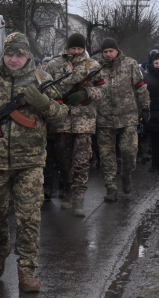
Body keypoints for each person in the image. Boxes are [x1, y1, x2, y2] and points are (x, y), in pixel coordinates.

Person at [0, 32, 68, 293]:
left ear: (27, 55)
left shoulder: (43, 79)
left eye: (19, 54)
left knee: (29, 218)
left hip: (30, 162)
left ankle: (26, 269)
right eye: (10, 54)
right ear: (3, 54)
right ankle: (0, 250)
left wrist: (44, 104)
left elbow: (62, 114)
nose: (14, 59)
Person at [44, 32, 105, 217]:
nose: (76, 51)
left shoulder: (92, 65)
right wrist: (57, 100)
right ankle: (68, 193)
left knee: (81, 161)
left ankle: (79, 199)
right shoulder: (55, 64)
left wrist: (86, 94)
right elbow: (46, 87)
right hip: (61, 121)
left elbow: (103, 89)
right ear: (68, 47)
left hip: (84, 122)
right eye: (73, 48)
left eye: (80, 48)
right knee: (64, 162)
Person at [95, 38, 150, 202]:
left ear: (117, 51)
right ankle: (110, 188)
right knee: (106, 156)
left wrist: (145, 106)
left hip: (127, 116)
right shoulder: (96, 67)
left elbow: (140, 86)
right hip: (104, 117)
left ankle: (126, 174)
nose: (108, 54)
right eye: (105, 52)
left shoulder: (130, 64)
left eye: (111, 51)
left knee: (129, 151)